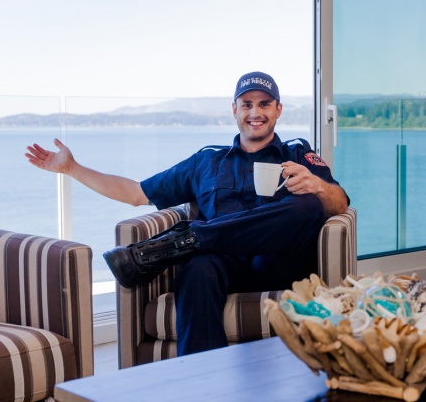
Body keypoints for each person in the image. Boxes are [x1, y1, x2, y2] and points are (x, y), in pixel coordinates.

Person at [25, 71, 349, 356]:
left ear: (278, 110)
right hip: (226, 264)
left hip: (282, 263)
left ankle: (191, 237)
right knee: (197, 265)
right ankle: (201, 386)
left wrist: (318, 186)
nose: (255, 112)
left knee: (308, 204)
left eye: (264, 104)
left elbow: (340, 203)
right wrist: (72, 168)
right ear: (234, 110)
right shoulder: (207, 161)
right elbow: (137, 193)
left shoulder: (297, 151)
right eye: (247, 104)